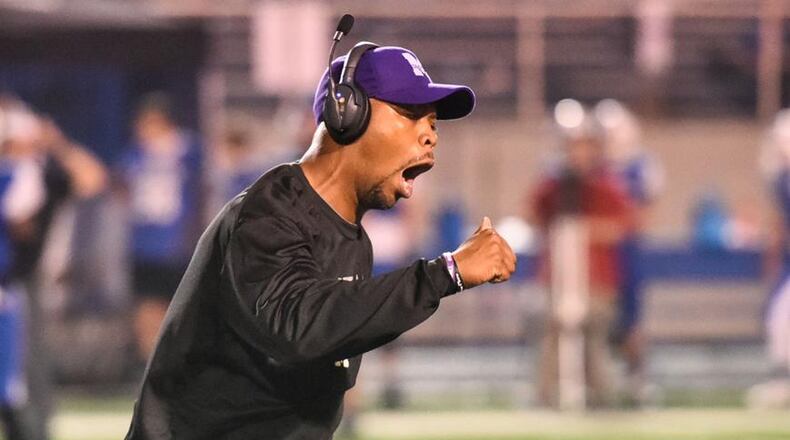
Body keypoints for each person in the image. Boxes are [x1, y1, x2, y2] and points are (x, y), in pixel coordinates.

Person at [125, 43, 516, 439]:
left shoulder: (353, 243)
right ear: (348, 112)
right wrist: (446, 273)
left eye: (432, 122)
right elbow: (299, 327)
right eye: (412, 115)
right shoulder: (268, 212)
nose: (430, 135)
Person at [531, 103, 633, 408]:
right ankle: (548, 397)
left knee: (593, 340)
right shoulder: (553, 186)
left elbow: (621, 227)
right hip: (560, 274)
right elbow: (536, 217)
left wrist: (583, 231)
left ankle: (601, 398)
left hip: (597, 277)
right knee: (553, 335)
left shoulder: (606, 186)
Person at [118, 93, 204, 364]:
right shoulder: (137, 153)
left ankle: (177, 368)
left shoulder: (188, 148)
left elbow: (203, 189)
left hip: (177, 243)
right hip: (144, 244)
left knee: (180, 310)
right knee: (146, 310)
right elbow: (122, 187)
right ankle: (151, 370)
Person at [594, 99, 664, 406]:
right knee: (601, 318)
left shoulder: (641, 165)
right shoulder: (595, 169)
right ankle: (601, 381)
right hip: (599, 255)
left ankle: (637, 380)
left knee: (632, 320)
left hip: (628, 250)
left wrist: (617, 226)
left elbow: (643, 214)